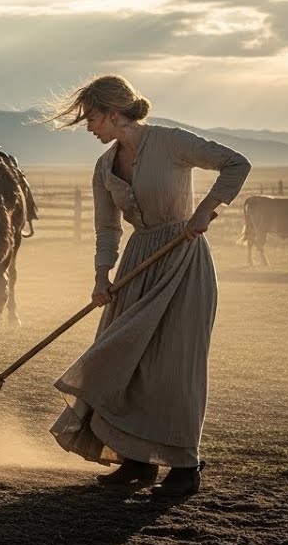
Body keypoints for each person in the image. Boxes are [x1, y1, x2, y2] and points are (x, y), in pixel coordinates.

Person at [45, 74, 250, 496]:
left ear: (114, 112)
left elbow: (236, 163)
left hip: (182, 258)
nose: (89, 128)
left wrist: (206, 211)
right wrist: (103, 276)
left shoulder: (171, 142)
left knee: (176, 364)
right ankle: (135, 462)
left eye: (92, 119)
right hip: (138, 263)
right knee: (126, 361)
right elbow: (106, 229)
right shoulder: (104, 166)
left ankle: (185, 466)